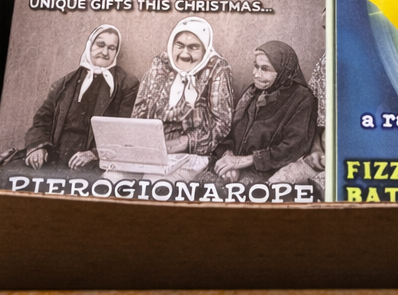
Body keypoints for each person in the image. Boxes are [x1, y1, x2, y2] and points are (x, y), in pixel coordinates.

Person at [22, 24, 138, 171]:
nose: (105, 52)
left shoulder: (127, 85)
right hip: (55, 157)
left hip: (94, 162)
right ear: (90, 45)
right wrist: (37, 147)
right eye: (100, 45)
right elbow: (41, 121)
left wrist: (94, 154)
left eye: (111, 48)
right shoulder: (64, 83)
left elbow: (125, 129)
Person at [131, 17, 233, 182]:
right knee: (113, 177)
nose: (184, 54)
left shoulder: (216, 69)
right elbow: (139, 112)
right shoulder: (160, 65)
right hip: (152, 151)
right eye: (179, 46)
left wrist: (181, 143)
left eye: (193, 47)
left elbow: (222, 125)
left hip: (191, 154)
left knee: (152, 183)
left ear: (205, 49)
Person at [210, 41, 317, 186]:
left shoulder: (302, 99)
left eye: (265, 69)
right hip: (233, 167)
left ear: (283, 71)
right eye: (256, 66)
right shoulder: (253, 92)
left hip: (268, 173)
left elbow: (293, 148)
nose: (256, 74)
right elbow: (231, 133)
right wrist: (228, 157)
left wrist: (242, 162)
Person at [269, 52, 326, 197]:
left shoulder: (381, 67)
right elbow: (311, 110)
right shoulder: (325, 63)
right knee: (274, 186)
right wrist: (316, 148)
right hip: (320, 156)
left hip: (352, 160)